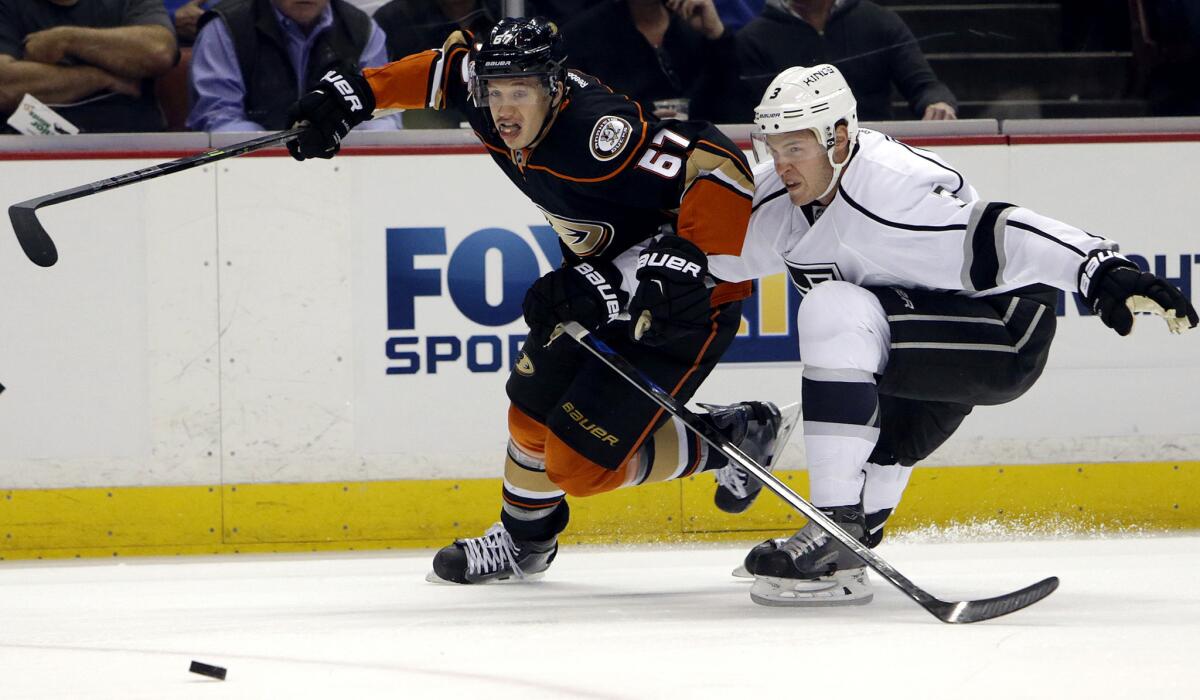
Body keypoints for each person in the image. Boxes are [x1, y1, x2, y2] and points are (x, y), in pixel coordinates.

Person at [285, 17, 800, 584]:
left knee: (577, 467)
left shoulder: (600, 133)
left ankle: (728, 439)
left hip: (681, 299)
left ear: (554, 88)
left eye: (520, 93)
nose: (504, 110)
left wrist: (678, 262)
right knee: (528, 417)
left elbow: (717, 162)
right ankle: (525, 544)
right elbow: (444, 67)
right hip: (597, 283)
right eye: (496, 93)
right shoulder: (485, 92)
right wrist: (355, 98)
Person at [725, 64, 1197, 606]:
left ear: (838, 137)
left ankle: (834, 526)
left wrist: (1098, 268)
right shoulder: (782, 196)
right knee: (876, 452)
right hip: (918, 329)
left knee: (834, 310)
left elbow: (1003, 232)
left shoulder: (889, 190)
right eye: (772, 147)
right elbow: (706, 252)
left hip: (1001, 330)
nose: (780, 164)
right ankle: (845, 549)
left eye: (795, 148)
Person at [186, 0, 400, 132]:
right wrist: (283, 152)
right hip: (249, 168)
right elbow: (218, 119)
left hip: (341, 166)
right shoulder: (226, 28)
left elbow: (382, 116)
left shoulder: (363, 31)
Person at [732, 0, 957, 122]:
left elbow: (924, 84)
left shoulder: (878, 20)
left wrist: (937, 103)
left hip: (876, 150)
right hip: (795, 155)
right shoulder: (754, 37)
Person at [0, 0, 177, 133]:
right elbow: (5, 88)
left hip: (129, 141)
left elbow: (159, 52)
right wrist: (100, 78)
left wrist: (67, 39)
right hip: (30, 146)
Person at [560, 0, 733, 122]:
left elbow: (735, 96)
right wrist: (641, 113)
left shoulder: (690, 20)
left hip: (704, 142)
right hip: (627, 149)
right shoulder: (582, 35)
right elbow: (580, 107)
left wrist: (716, 35)